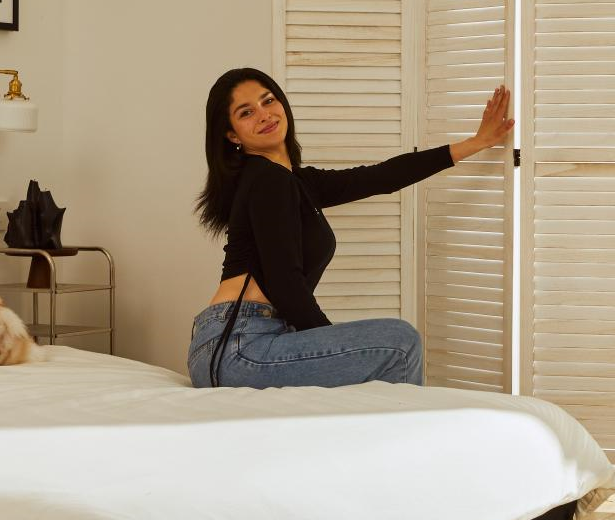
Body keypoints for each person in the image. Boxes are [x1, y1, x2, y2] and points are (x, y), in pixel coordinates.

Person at [188, 67, 513, 389]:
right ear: (231, 134)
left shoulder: (294, 181)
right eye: (246, 112)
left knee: (393, 345)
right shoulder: (267, 180)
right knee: (399, 343)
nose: (264, 114)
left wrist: (476, 142)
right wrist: (330, 341)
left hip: (236, 343)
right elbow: (284, 280)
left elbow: (381, 177)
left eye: (268, 100)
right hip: (241, 345)